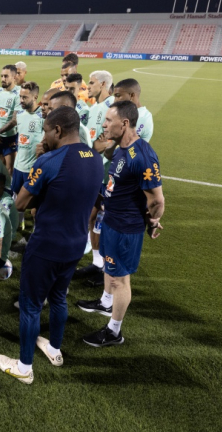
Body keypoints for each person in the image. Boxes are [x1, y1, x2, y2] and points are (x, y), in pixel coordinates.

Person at [0, 106, 103, 384]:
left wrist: (40, 162)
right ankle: (54, 350)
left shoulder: (49, 161)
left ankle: (24, 367)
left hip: (46, 246)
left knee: (31, 306)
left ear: (57, 130)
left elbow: (20, 202)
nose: (43, 136)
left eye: (45, 131)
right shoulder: (95, 158)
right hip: (75, 244)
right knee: (58, 298)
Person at [76, 101, 165, 347]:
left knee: (120, 279)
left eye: (108, 120)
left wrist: (153, 221)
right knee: (108, 267)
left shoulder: (142, 155)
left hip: (126, 228)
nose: (103, 124)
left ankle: (114, 331)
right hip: (111, 222)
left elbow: (156, 199)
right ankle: (105, 302)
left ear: (124, 123)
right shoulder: (120, 149)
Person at [74, 70, 114, 285]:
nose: (86, 86)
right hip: (92, 168)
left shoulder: (112, 107)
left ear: (104, 83)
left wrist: (97, 149)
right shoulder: (94, 108)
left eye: (91, 83)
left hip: (105, 173)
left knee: (103, 221)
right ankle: (98, 264)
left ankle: (107, 269)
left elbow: (107, 141)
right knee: (92, 218)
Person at [10, 82, 44, 230]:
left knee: (36, 203)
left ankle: (37, 230)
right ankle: (20, 223)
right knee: (17, 197)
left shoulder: (43, 116)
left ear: (35, 97)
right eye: (20, 97)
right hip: (18, 166)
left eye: (25, 97)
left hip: (33, 168)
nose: (21, 100)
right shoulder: (20, 115)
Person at [0, 65, 20, 174]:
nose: (2, 79)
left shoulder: (19, 94)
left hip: (10, 137)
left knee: (9, 170)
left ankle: (8, 190)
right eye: (1, 76)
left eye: (6, 76)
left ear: (14, 77)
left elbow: (15, 120)